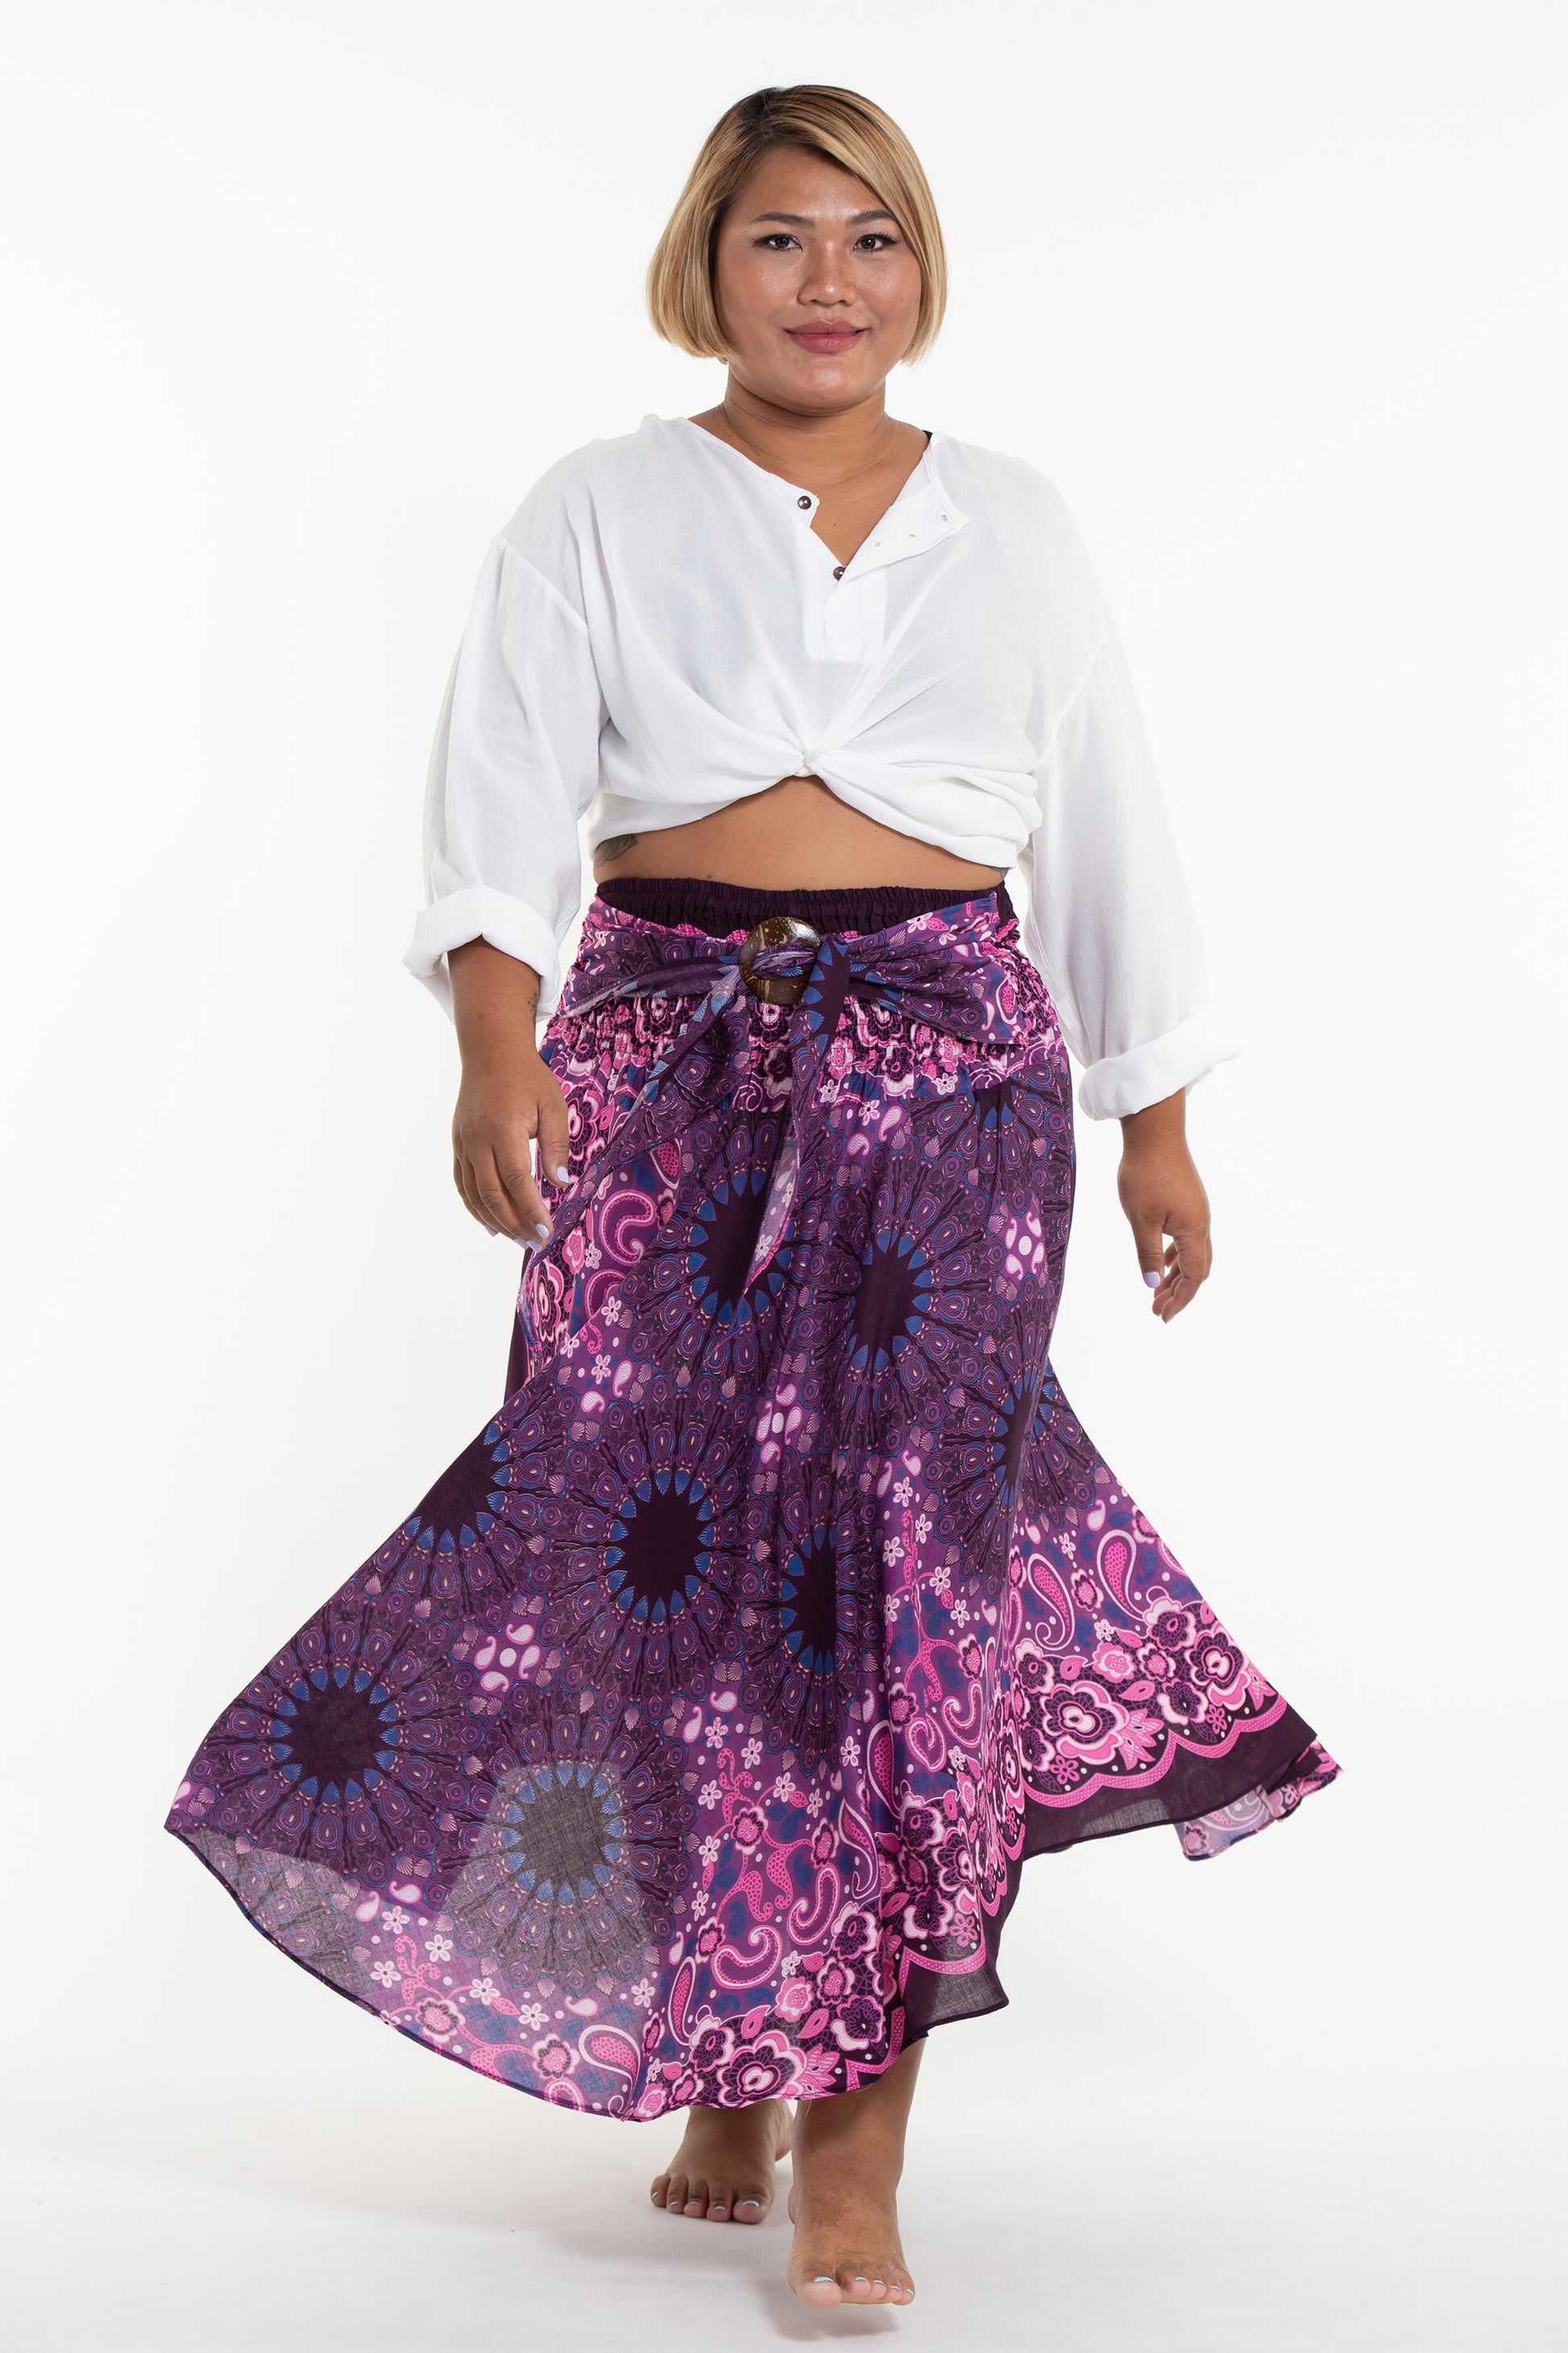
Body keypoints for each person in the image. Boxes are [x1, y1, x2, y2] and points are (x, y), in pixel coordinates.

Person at [165, 83, 1338, 2313]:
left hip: (951, 1068)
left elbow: (1105, 812)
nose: (829, 283)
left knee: (903, 1586)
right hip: (659, 1056)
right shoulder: (598, 506)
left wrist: (1155, 1118)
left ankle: (856, 2148)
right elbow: (498, 794)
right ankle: (727, 2046)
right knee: (659, 1550)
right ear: (705, 261)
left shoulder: (1014, 521)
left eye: (873, 238)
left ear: (923, 269)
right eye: (783, 236)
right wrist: (492, 1044)